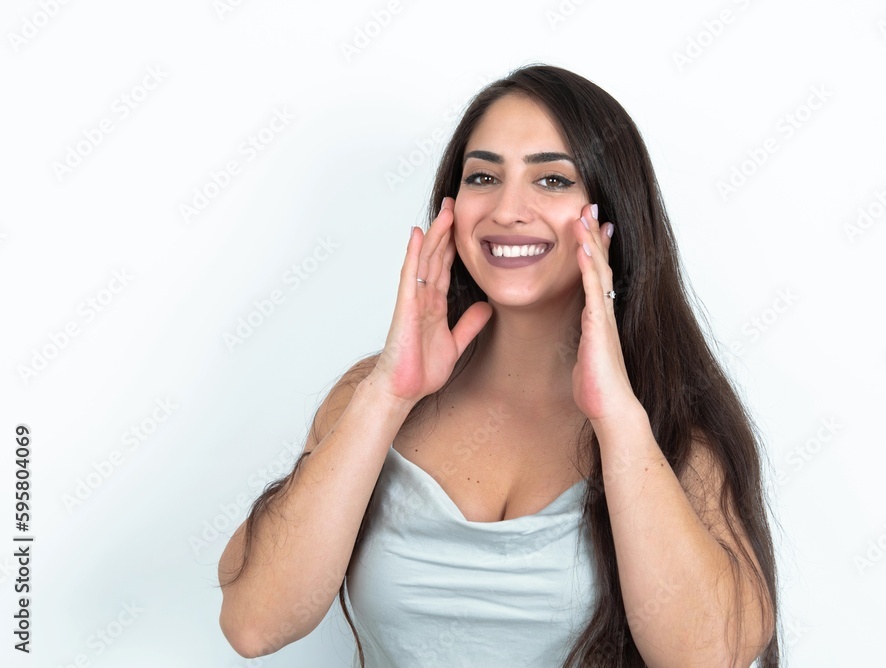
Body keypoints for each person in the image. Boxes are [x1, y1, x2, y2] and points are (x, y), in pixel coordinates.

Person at [217, 63, 779, 667]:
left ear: (611, 213)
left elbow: (705, 658)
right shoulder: (370, 396)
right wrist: (388, 395)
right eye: (484, 176)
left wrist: (617, 418)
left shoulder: (674, 433)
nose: (509, 210)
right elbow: (254, 625)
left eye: (553, 180)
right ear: (449, 210)